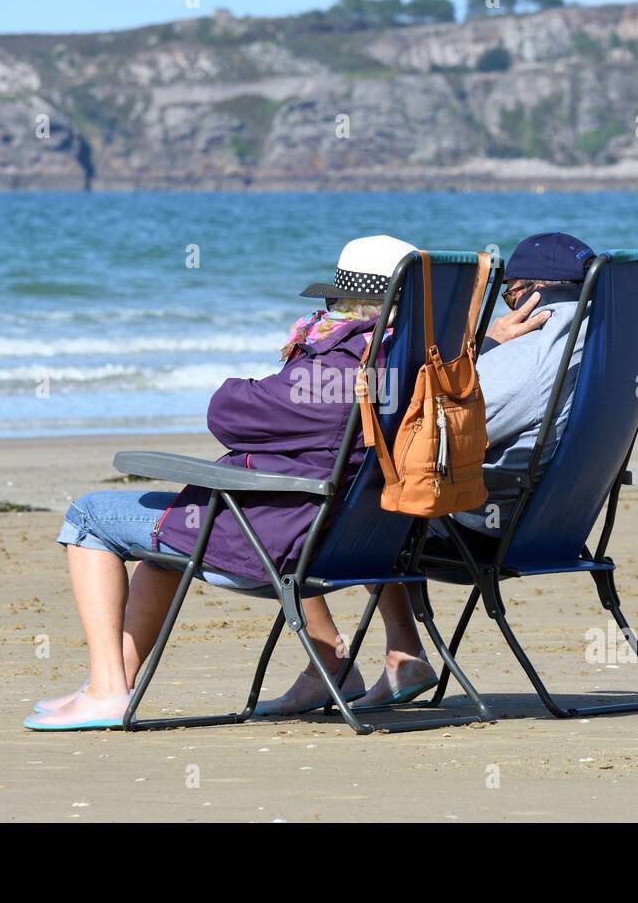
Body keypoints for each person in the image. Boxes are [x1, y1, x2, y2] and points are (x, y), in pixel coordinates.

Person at [23, 235, 417, 730]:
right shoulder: (418, 370)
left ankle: (107, 691)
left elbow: (226, 414)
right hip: (357, 539)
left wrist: (284, 369)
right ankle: (112, 683)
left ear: (343, 303)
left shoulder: (335, 372)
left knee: (89, 515)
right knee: (162, 548)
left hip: (281, 539)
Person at [255, 232, 597, 715]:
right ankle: (402, 654)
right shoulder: (601, 345)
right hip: (562, 522)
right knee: (376, 487)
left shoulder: (534, 356)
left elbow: (445, 434)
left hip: (485, 528)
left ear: (529, 292)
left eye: (509, 293)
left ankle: (330, 661)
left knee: (319, 501)